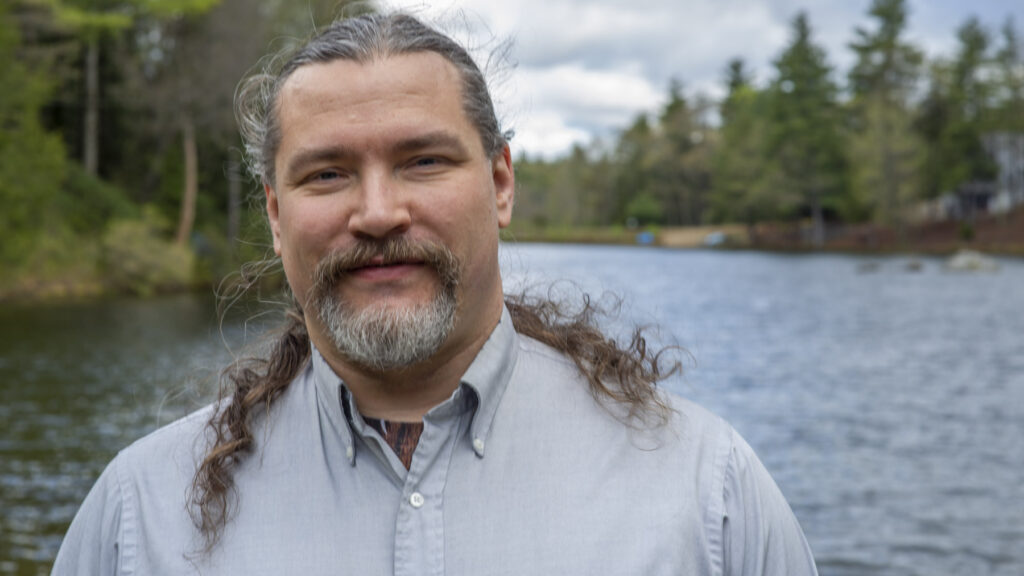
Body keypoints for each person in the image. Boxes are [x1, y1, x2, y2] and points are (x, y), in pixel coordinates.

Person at [53, 12, 818, 575]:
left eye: (423, 161)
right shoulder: (139, 516)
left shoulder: (703, 490)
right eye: (327, 173)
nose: (379, 212)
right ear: (277, 216)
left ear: (500, 182)